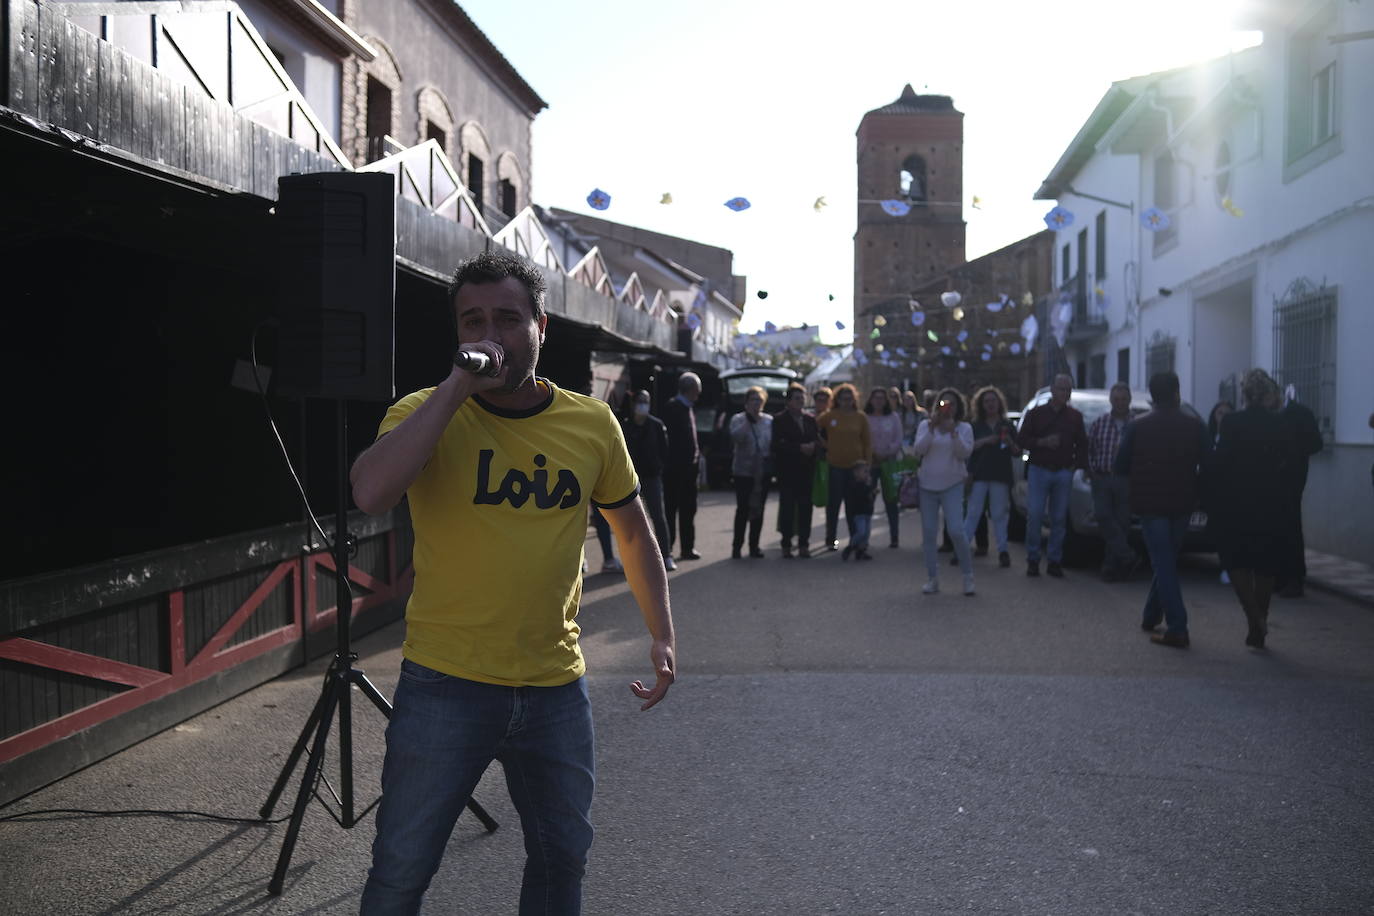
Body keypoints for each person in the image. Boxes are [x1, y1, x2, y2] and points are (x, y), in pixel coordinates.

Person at [351, 251, 675, 914]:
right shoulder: (424, 412)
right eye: (472, 321)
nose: (488, 334)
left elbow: (634, 534)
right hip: (444, 686)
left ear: (542, 326)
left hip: (555, 688)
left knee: (562, 861)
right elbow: (372, 493)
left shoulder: (591, 423)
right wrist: (454, 389)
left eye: (506, 318)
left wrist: (663, 636)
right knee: (401, 871)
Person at [1114, 372, 1209, 649]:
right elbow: (1208, 463)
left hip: (1150, 503)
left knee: (1162, 561)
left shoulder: (1137, 426)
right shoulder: (1195, 426)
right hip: (1182, 502)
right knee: (1166, 559)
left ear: (1152, 396)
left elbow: (1120, 466)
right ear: (1177, 392)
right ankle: (1151, 614)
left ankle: (1178, 627)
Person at [1210, 369, 1294, 649]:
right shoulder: (1280, 423)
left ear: (1244, 394)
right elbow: (1288, 461)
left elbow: (1221, 461)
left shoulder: (1231, 422)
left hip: (1237, 500)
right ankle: (1262, 615)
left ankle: (1253, 616)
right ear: (1268, 394)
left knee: (1236, 560)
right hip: (1271, 500)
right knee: (1265, 562)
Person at [1019, 373, 1089, 578]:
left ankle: (1054, 561)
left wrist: (1076, 466)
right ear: (1052, 389)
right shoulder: (1036, 413)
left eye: (1068, 390)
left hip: (1063, 472)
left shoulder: (1075, 417)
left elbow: (1083, 445)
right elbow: (1022, 439)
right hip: (1039, 469)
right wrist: (1042, 442)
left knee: (1059, 519)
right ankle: (1033, 559)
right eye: (1061, 389)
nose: (1065, 393)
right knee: (1035, 515)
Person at [914, 388, 975, 596]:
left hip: (952, 484)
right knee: (929, 534)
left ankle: (967, 576)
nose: (947, 408)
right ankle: (932, 579)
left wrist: (953, 433)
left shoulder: (964, 428)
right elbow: (919, 451)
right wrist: (932, 429)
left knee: (956, 530)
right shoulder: (925, 425)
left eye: (952, 405)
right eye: (943, 404)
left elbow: (964, 453)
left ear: (958, 408)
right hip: (927, 485)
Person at [1275, 388, 1324, 598]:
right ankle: (1281, 577)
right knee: (1278, 529)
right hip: (1274, 479)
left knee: (1290, 527)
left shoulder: (1299, 413)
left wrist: (1293, 455)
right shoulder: (1274, 416)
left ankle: (1294, 578)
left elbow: (1316, 443)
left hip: (1292, 479)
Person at [1085, 383, 1137, 581]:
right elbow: (1089, 449)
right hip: (1102, 477)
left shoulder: (1137, 424)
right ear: (1111, 401)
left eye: (1123, 399)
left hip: (1126, 479)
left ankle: (1110, 566)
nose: (1120, 403)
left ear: (1129, 400)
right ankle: (1128, 556)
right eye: (1116, 399)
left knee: (1122, 523)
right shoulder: (1100, 423)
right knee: (1103, 516)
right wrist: (1091, 472)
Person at [964, 385, 1018, 569]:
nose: (990, 404)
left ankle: (1003, 551)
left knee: (999, 514)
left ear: (999, 403)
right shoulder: (975, 426)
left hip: (1000, 475)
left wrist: (1009, 442)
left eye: (993, 401)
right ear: (981, 404)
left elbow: (1018, 451)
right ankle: (962, 549)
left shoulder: (1007, 425)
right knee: (973, 512)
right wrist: (987, 441)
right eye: (986, 401)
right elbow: (968, 448)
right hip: (979, 474)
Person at [622, 389, 676, 571]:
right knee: (630, 519)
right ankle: (632, 559)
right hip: (630, 479)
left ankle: (666, 555)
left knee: (658, 517)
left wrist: (659, 467)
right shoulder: (626, 426)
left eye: (646, 401)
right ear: (633, 403)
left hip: (652, 477)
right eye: (640, 401)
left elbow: (665, 451)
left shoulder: (657, 425)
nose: (643, 404)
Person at [817, 383, 871, 552]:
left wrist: (867, 466)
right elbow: (813, 429)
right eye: (843, 398)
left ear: (854, 399)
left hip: (855, 469)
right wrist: (825, 445)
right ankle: (830, 538)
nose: (846, 401)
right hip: (835, 466)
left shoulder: (860, 417)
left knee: (852, 507)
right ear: (837, 400)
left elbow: (867, 442)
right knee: (833, 505)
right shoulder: (829, 416)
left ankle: (854, 539)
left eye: (849, 398)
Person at [772, 382, 820, 558]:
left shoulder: (810, 419)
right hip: (788, 471)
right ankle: (786, 543)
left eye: (803, 398)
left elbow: (817, 440)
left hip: (807, 470)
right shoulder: (779, 419)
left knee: (805, 508)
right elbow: (778, 444)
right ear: (789, 401)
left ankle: (803, 544)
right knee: (787, 509)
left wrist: (812, 447)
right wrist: (799, 448)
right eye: (797, 398)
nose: (801, 401)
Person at [729, 385, 773, 559]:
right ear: (746, 402)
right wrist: (749, 420)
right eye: (753, 400)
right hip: (743, 471)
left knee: (758, 508)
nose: (757, 403)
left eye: (760, 400)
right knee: (743, 509)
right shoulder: (738, 419)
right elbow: (735, 438)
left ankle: (754, 546)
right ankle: (737, 546)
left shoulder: (769, 421)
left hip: (762, 472)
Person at [663, 371, 703, 561]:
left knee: (689, 509)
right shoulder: (673, 408)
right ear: (692, 389)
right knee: (671, 509)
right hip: (675, 469)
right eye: (698, 388)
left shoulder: (688, 407)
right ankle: (667, 548)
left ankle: (687, 547)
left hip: (690, 470)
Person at [865, 387, 905, 548]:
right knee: (868, 500)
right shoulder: (866, 417)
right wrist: (873, 453)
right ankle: (864, 535)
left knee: (891, 501)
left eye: (882, 398)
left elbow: (898, 438)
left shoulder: (893, 417)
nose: (879, 401)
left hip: (889, 463)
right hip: (871, 463)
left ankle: (894, 537)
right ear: (871, 400)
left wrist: (888, 453)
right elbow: (864, 438)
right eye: (876, 398)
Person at [1204, 401, 1235, 586]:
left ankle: (1229, 567)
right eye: (1220, 413)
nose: (1223, 417)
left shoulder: (1237, 438)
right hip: (1213, 492)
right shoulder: (1209, 437)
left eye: (1227, 413)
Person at [841, 460, 877, 561]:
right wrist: (868, 488)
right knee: (861, 532)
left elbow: (870, 498)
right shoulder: (854, 485)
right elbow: (860, 495)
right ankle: (851, 546)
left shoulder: (867, 484)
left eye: (868, 472)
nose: (867, 474)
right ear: (856, 473)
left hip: (867, 513)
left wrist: (873, 493)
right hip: (859, 513)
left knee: (866, 534)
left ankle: (861, 551)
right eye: (864, 472)